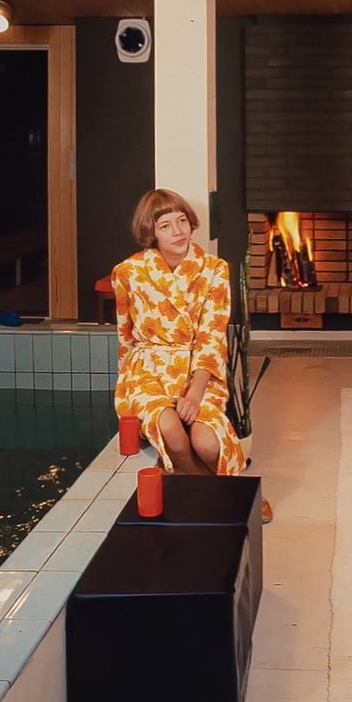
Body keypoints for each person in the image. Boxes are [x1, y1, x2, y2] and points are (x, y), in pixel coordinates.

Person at [110, 188, 272, 523]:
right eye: (166, 225)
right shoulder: (127, 272)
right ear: (151, 233)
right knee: (169, 427)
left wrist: (195, 393)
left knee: (207, 442)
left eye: (182, 221)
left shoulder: (213, 270)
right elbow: (124, 333)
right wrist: (127, 387)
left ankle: (194, 481)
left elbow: (212, 337)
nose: (178, 231)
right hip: (147, 372)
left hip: (198, 371)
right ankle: (234, 497)